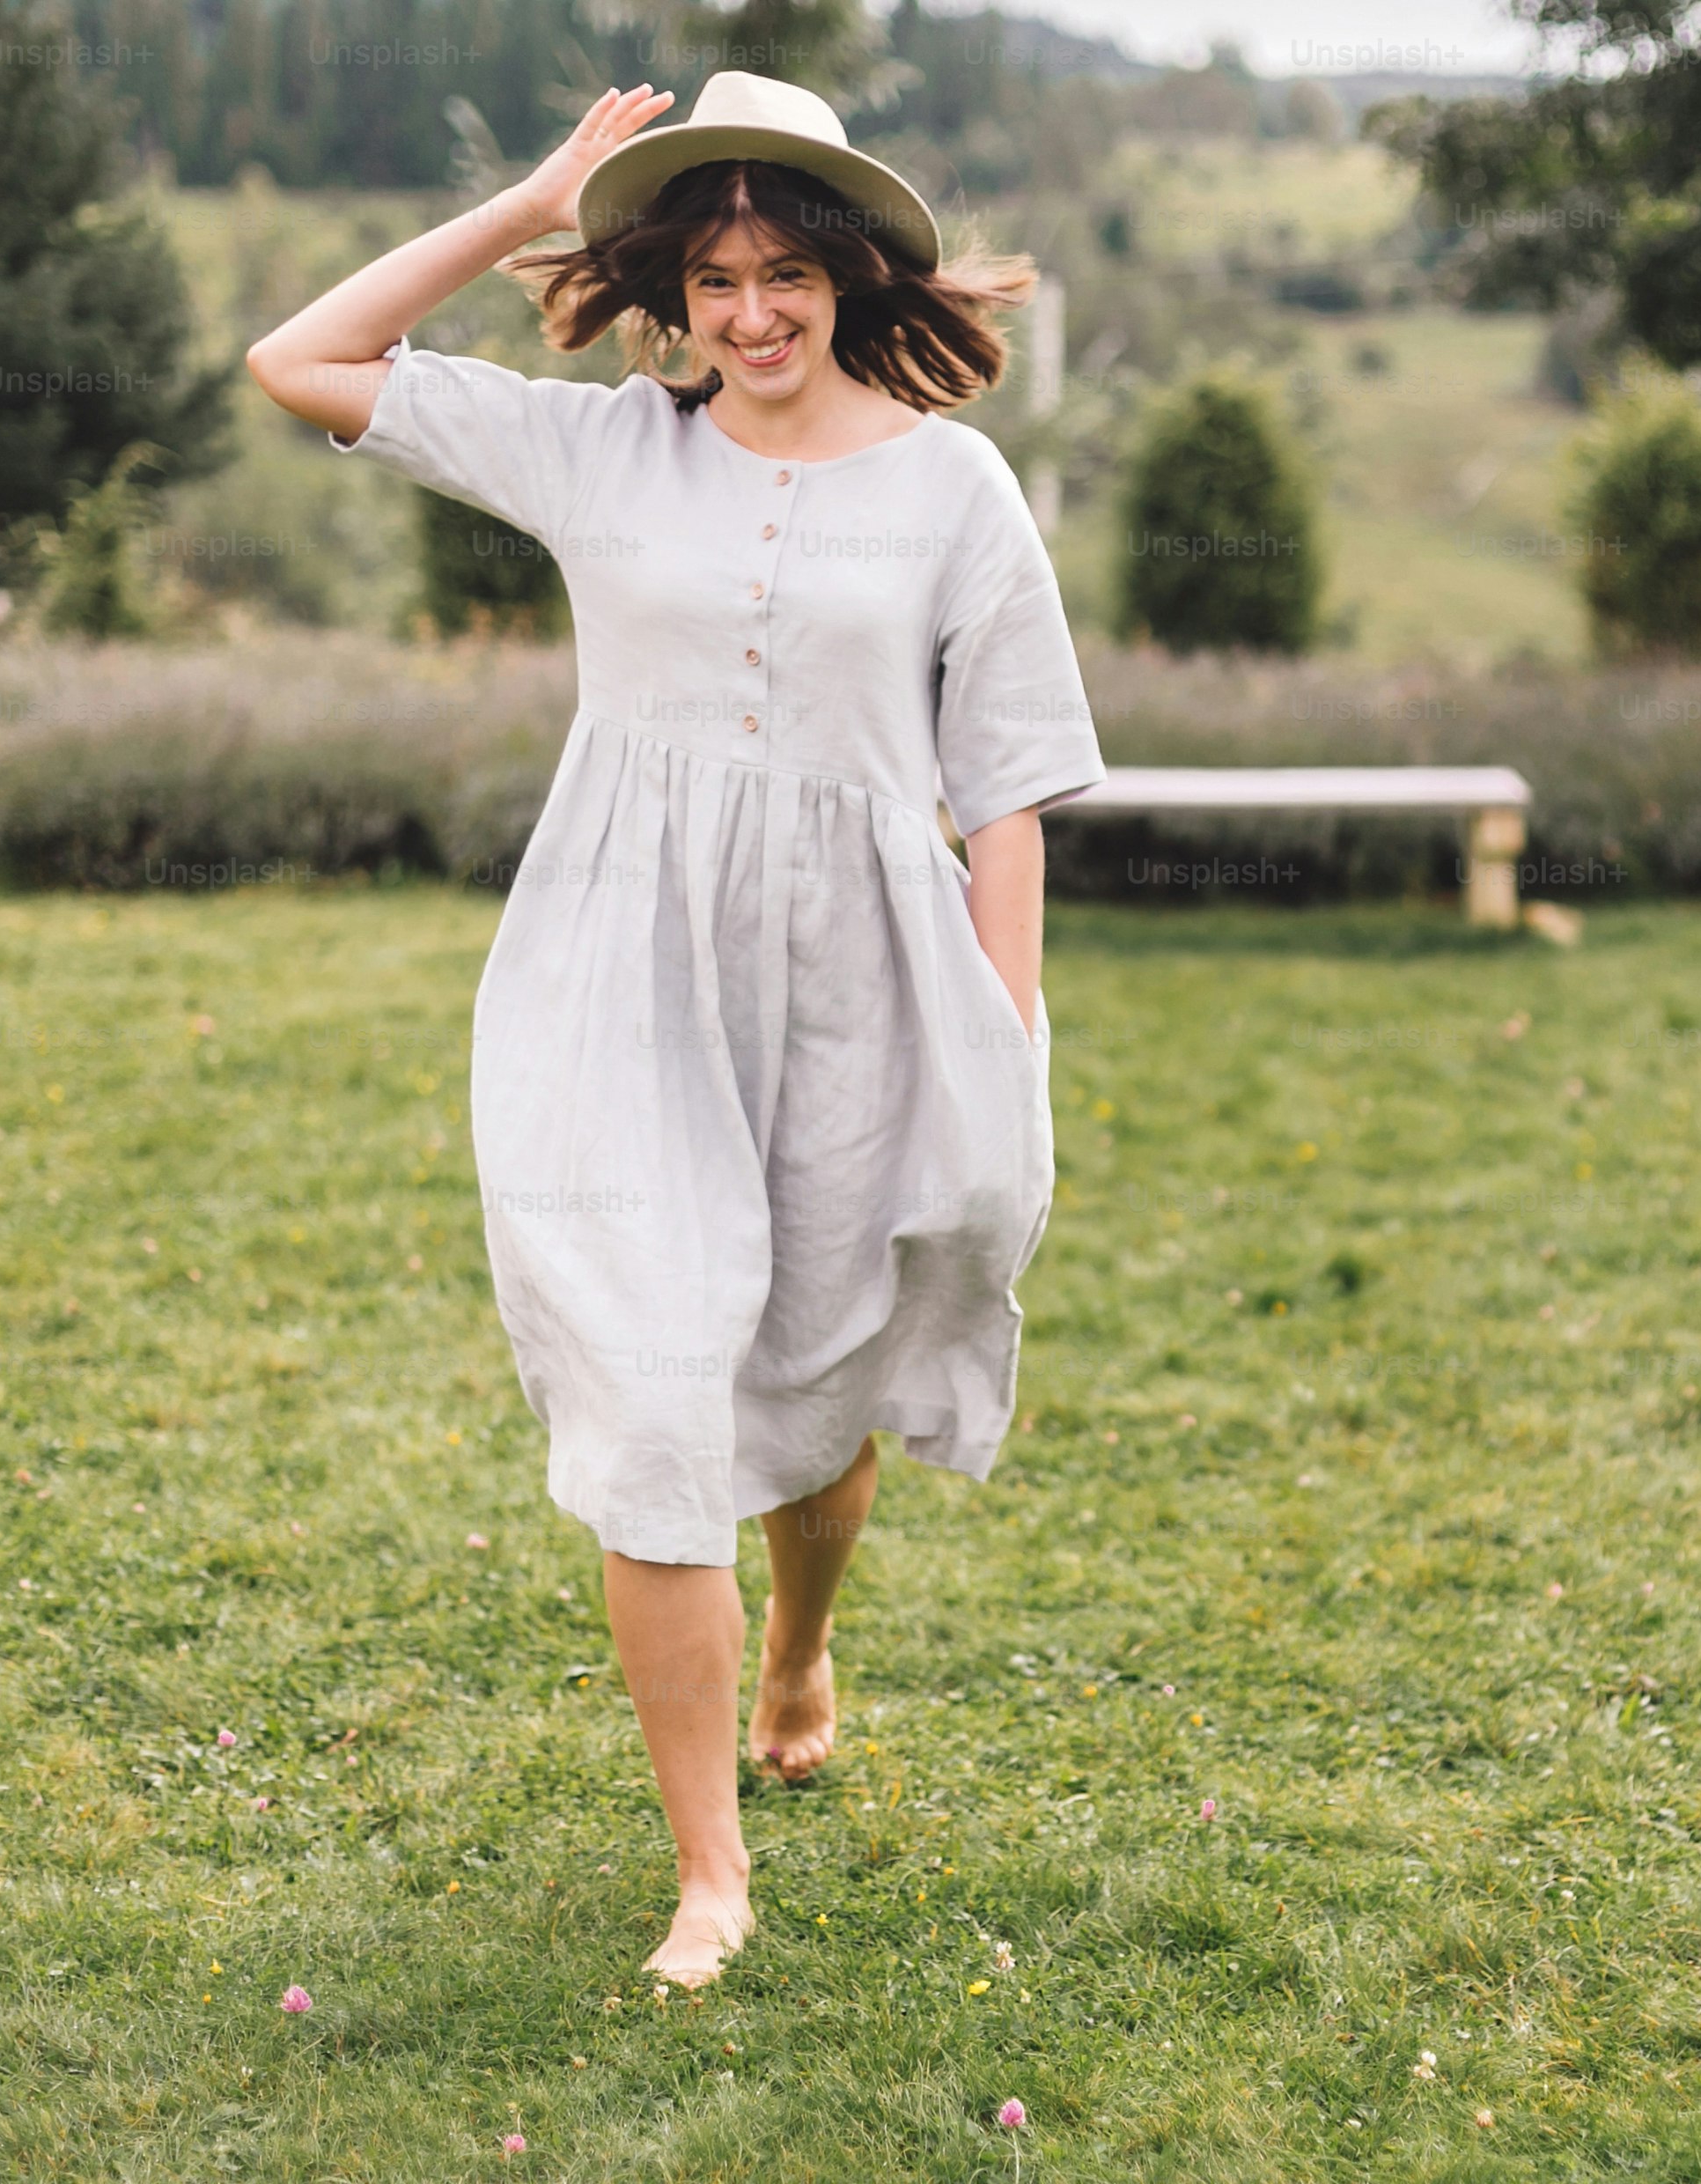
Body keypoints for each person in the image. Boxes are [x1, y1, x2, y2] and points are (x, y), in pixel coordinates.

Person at [245, 71, 1102, 1989]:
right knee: (653, 1401)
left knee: (815, 1392)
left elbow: (1014, 791)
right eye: (711, 275)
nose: (752, 312)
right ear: (667, 291)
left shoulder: (955, 488)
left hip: (869, 995)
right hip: (615, 989)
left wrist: (1004, 1049)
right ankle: (709, 1869)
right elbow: (300, 357)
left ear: (853, 274)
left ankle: (801, 1643)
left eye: (786, 270)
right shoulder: (604, 456)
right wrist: (529, 197)